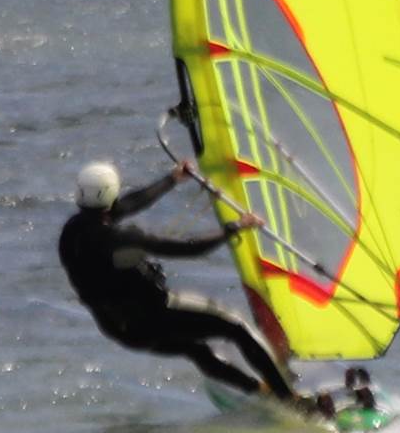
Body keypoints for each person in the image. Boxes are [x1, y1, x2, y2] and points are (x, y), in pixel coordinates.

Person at [58, 159, 331, 416]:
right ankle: (290, 400)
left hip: (120, 330)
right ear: (111, 194)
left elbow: (128, 205)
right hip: (156, 317)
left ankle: (260, 391)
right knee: (235, 328)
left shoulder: (70, 234)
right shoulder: (121, 239)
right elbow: (187, 249)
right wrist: (236, 227)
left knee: (196, 350)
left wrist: (171, 179)